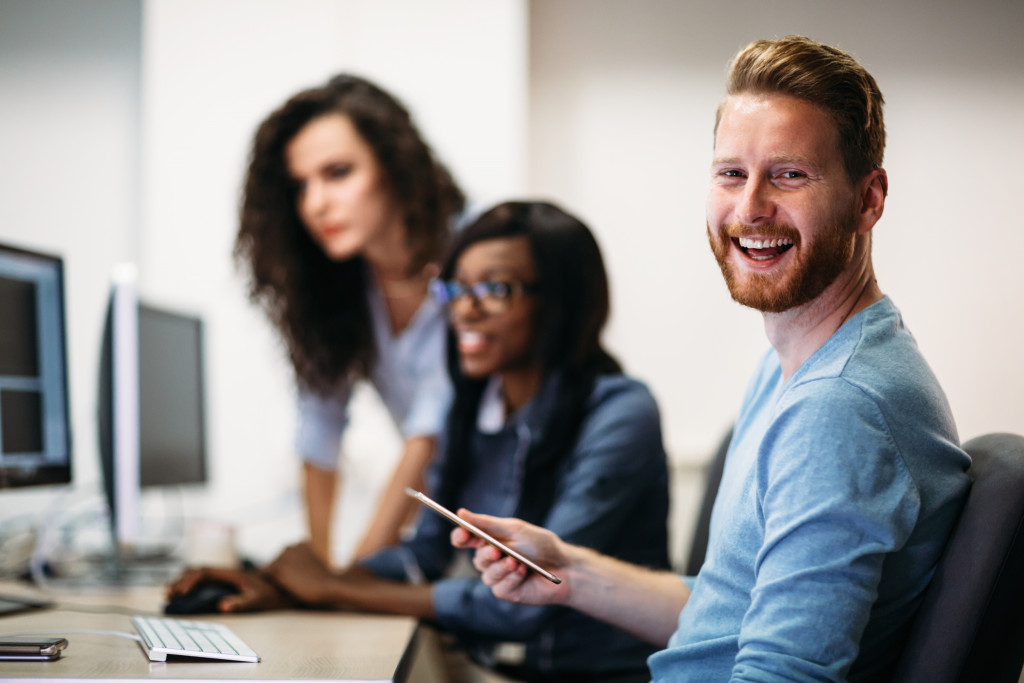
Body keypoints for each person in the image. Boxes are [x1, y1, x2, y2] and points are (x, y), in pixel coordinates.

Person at [453, 36, 972, 682]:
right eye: (731, 173)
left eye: (789, 174)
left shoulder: (840, 407)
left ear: (869, 199)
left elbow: (781, 674)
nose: (750, 207)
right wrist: (567, 569)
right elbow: (731, 615)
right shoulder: (800, 366)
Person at [174, 201, 672, 682]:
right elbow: (423, 558)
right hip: (496, 668)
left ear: (563, 300)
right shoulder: (472, 406)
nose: (463, 311)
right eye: (455, 289)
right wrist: (289, 586)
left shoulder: (620, 414)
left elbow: (526, 602)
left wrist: (331, 588)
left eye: (494, 288)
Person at [234, 74, 465, 562]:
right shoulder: (343, 286)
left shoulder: (476, 253)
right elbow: (319, 428)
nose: (316, 204)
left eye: (337, 173)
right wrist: (318, 564)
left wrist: (348, 580)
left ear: (395, 166)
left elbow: (429, 436)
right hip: (456, 527)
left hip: (542, 522)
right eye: (301, 185)